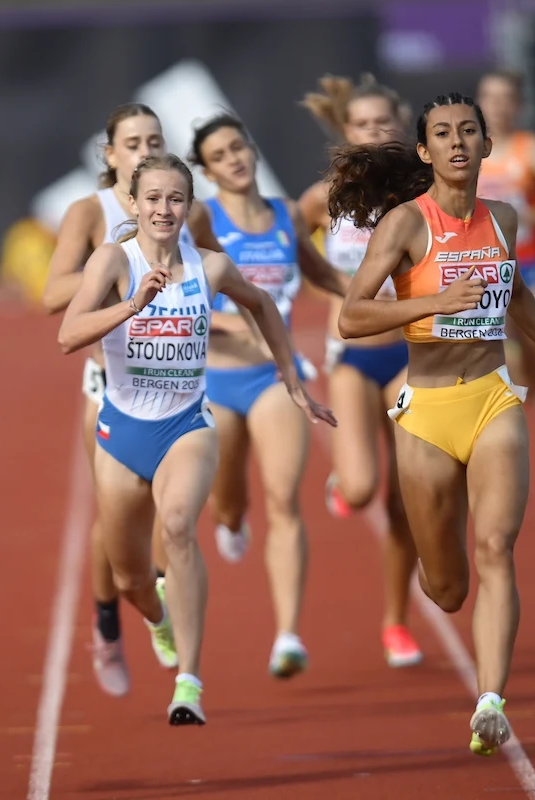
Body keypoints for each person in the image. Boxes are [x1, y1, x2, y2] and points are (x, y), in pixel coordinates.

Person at [327, 92, 535, 756]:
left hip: (491, 397)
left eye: (468, 131)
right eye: (443, 134)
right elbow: (351, 317)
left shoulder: (503, 217)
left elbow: (516, 293)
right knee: (448, 588)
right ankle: (431, 576)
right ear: (425, 151)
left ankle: (490, 701)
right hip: (425, 412)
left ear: (486, 145)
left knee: (496, 548)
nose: (457, 142)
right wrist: (431, 302)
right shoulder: (404, 225)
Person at [58, 153, 335, 724]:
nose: (164, 209)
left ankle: (189, 680)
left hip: (186, 423)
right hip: (122, 430)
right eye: (153, 198)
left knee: (180, 526)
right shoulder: (114, 260)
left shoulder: (211, 267)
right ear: (134, 203)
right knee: (131, 576)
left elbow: (262, 304)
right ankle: (158, 620)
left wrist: (290, 376)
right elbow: (68, 334)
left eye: (175, 199)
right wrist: (131, 305)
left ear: (189, 206)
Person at [41, 103, 219, 698]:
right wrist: (117, 265)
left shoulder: (181, 209)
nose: (145, 150)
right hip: (109, 379)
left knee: (173, 516)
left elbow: (213, 274)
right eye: (134, 142)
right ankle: (108, 623)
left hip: (177, 378)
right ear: (111, 154)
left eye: (155, 140)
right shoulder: (90, 212)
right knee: (113, 515)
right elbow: (52, 296)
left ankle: (163, 596)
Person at [187, 112, 347, 678]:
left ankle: (287, 635)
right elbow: (182, 287)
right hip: (215, 376)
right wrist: (236, 321)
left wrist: (373, 293)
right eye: (219, 155)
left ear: (251, 149)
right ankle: (231, 521)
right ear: (207, 172)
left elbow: (320, 272)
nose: (234, 158)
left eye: (238, 146)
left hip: (275, 376)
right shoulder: (202, 218)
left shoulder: (286, 215)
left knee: (284, 498)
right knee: (228, 498)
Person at [297, 73, 424, 668]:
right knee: (361, 488)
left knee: (405, 497)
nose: (373, 132)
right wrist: (326, 283)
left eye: (382, 122)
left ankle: (396, 622)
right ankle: (343, 484)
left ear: (399, 126)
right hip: (351, 357)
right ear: (345, 131)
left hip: (409, 353)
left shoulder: (421, 192)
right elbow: (286, 237)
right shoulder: (325, 196)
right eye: (361, 123)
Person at [474, 69, 535, 398]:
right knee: (499, 354)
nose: (498, 106)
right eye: (491, 98)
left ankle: (526, 394)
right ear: (479, 103)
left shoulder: (532, 149)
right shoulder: (466, 150)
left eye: (506, 99)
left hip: (530, 266)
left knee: (532, 364)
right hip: (483, 267)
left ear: (518, 104)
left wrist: (521, 216)